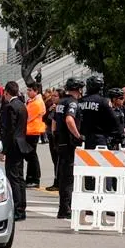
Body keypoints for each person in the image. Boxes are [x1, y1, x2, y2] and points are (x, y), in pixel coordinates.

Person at [0, 80, 30, 221]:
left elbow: (8, 131)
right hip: (21, 143)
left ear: (6, 92)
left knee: (13, 178)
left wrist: (3, 150)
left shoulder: (10, 107)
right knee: (19, 178)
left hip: (13, 145)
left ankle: (17, 208)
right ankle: (21, 207)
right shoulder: (22, 106)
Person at [54, 78, 84, 219]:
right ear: (77, 89)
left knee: (62, 176)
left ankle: (62, 208)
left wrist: (56, 136)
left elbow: (54, 122)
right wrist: (78, 136)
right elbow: (69, 119)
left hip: (60, 142)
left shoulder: (61, 102)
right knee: (69, 177)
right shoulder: (72, 102)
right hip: (69, 143)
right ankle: (66, 209)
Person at [24, 83, 46, 188]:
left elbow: (27, 117)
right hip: (30, 130)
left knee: (32, 156)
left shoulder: (36, 103)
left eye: (30, 90)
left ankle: (35, 178)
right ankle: (30, 178)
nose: (28, 92)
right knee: (30, 156)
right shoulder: (33, 101)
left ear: (36, 91)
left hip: (32, 130)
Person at [44, 89, 63, 191]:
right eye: (52, 95)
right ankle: (57, 180)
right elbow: (45, 119)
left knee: (58, 160)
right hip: (51, 136)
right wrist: (49, 110)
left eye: (55, 96)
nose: (53, 97)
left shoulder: (62, 108)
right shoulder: (52, 107)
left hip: (58, 137)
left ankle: (58, 182)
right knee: (54, 160)